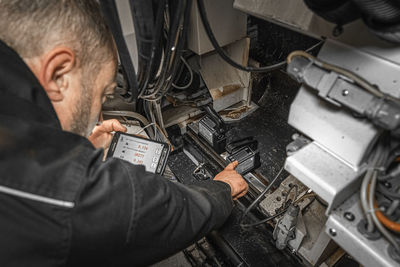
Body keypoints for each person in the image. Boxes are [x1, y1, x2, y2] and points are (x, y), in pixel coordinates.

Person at [0, 0, 249, 266]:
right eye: (103, 94)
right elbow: (152, 211)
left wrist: (74, 146)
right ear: (59, 73)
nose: (100, 110)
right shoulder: (51, 191)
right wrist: (222, 188)